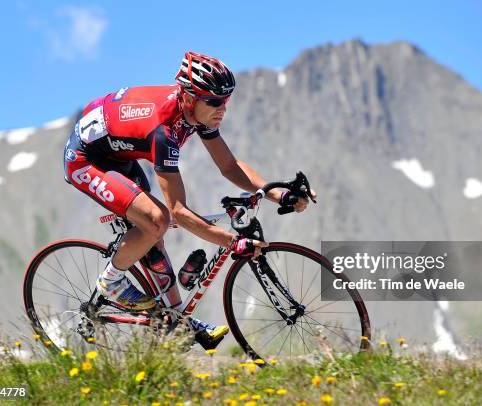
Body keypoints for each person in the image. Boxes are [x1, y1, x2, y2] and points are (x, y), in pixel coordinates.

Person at [63, 51, 315, 344]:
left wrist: (279, 193)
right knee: (157, 220)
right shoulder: (163, 131)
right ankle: (112, 283)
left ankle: (178, 320)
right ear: (190, 97)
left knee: (153, 237)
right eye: (215, 102)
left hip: (118, 154)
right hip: (86, 159)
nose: (222, 109)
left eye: (226, 101)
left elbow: (229, 166)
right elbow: (179, 211)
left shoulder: (197, 112)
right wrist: (233, 243)